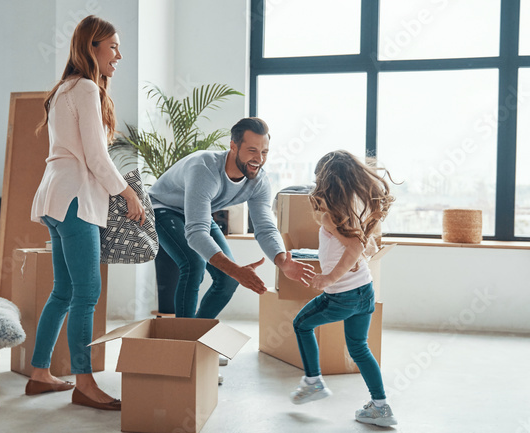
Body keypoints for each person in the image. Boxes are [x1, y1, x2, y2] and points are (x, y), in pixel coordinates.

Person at [26, 15, 144, 411]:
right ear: (91, 47)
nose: (118, 55)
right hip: (75, 199)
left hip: (55, 198)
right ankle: (85, 383)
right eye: (113, 47)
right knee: (87, 293)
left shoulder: (64, 89)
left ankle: (40, 373)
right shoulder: (87, 88)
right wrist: (128, 193)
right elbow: (95, 156)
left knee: (63, 291)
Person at [148, 117, 316, 320]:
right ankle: (183, 335)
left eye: (264, 152)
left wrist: (282, 261)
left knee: (228, 279)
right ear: (233, 147)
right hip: (164, 208)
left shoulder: (259, 181)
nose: (259, 159)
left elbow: (265, 227)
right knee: (194, 264)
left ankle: (197, 331)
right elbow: (196, 233)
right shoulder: (205, 169)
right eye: (252, 150)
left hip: (198, 213)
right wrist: (237, 271)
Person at [287, 150, 397, 427]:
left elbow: (356, 246)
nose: (316, 186)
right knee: (359, 347)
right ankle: (381, 407)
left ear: (329, 182)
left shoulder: (332, 216)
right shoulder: (359, 206)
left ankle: (313, 382)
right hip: (364, 291)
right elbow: (362, 245)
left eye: (318, 180)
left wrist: (329, 278)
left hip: (341, 296)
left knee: (301, 324)